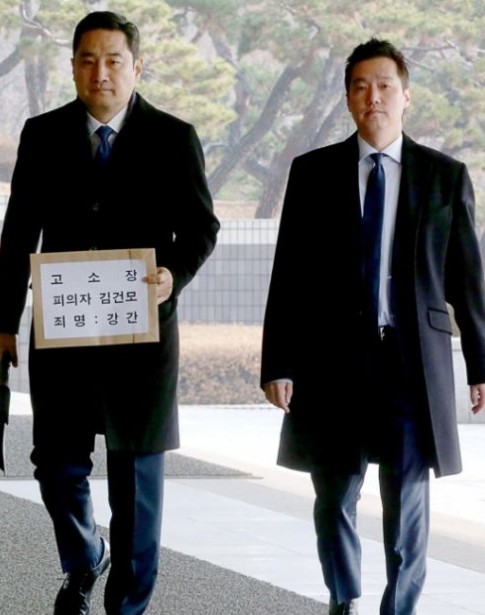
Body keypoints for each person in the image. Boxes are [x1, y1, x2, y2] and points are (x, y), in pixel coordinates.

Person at [0, 10, 219, 615]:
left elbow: (201, 227)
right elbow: (17, 234)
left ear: (137, 66)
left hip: (142, 339)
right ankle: (84, 555)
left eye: (113, 60)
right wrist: (3, 321)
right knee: (55, 467)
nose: (100, 72)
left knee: (137, 486)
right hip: (64, 334)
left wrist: (173, 274)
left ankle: (127, 608)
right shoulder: (42, 134)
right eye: (88, 60)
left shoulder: (174, 137)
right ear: (73, 67)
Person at [260, 37, 485, 615]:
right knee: (333, 496)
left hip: (412, 365)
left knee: (407, 499)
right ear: (348, 99)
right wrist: (278, 363)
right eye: (361, 87)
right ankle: (344, 598)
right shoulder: (313, 173)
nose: (373, 97)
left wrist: (481, 364)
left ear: (406, 96)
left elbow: (468, 280)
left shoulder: (444, 176)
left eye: (385, 86)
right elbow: (289, 275)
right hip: (333, 363)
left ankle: (398, 608)